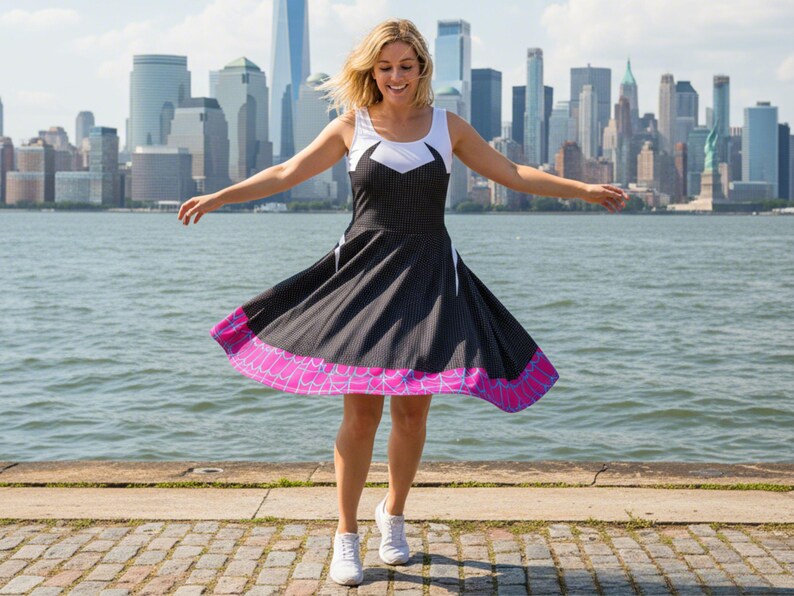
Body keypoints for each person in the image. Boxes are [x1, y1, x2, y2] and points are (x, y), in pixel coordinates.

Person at [177, 17, 627, 587]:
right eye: (385, 67)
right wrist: (221, 197)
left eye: (406, 66)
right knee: (360, 413)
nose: (396, 76)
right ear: (372, 71)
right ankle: (346, 536)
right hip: (362, 279)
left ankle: (393, 514)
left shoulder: (448, 125)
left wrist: (582, 189)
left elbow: (511, 173)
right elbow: (287, 172)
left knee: (412, 412)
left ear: (421, 70)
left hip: (429, 279)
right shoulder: (351, 127)